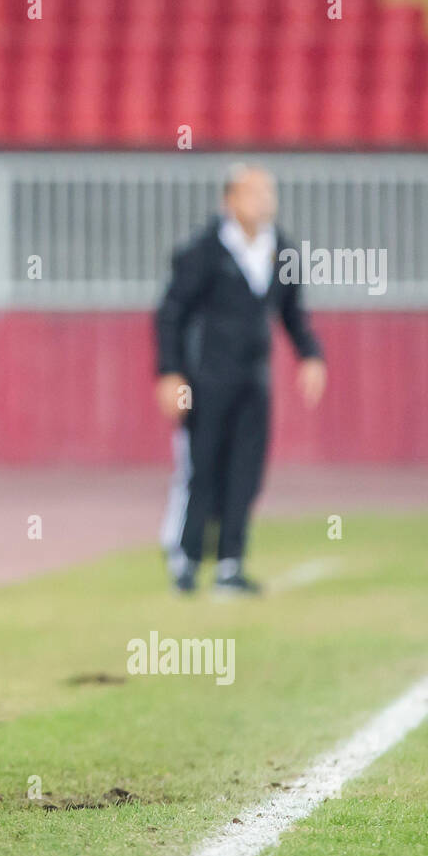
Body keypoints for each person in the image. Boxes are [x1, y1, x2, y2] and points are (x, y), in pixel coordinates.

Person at [155, 164, 326, 596]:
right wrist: (170, 372)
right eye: (254, 194)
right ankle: (188, 560)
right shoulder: (203, 250)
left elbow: (292, 314)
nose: (264, 202)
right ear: (229, 201)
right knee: (203, 469)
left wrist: (310, 355)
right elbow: (171, 314)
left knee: (245, 474)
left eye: (268, 194)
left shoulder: (280, 250)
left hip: (255, 380)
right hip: (207, 379)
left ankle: (230, 563)